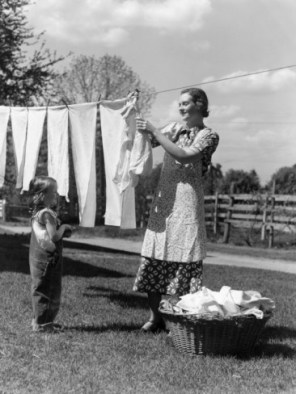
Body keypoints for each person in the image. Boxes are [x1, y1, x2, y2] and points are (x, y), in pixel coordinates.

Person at [133, 87, 219, 332]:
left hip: (187, 203)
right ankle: (155, 317)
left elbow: (184, 156)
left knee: (184, 262)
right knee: (154, 258)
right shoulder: (172, 129)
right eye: (179, 103)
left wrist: (154, 131)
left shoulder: (209, 136)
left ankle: (179, 322)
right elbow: (142, 145)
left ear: (200, 104)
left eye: (185, 103)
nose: (181, 107)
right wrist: (131, 114)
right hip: (165, 201)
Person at [28, 176, 72, 332]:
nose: (56, 195)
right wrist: (64, 227)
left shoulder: (37, 213)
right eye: (53, 192)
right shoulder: (47, 214)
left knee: (39, 287)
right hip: (49, 259)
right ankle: (45, 324)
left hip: (37, 258)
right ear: (42, 195)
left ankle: (38, 321)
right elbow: (54, 236)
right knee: (50, 289)